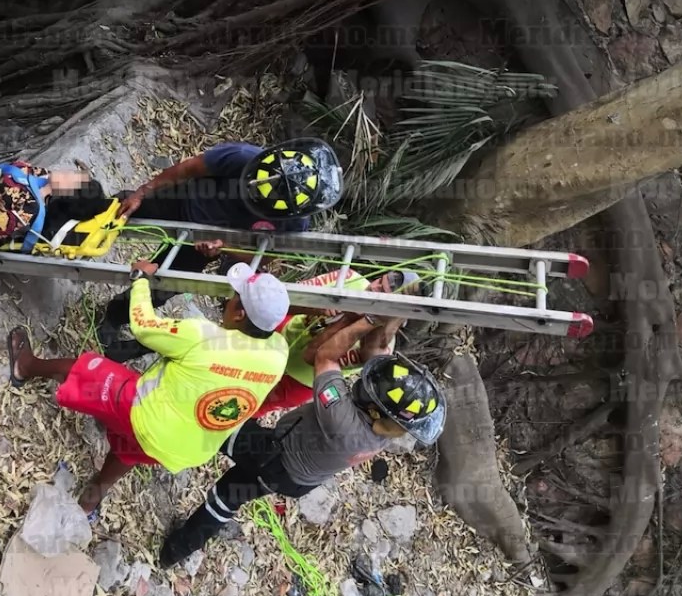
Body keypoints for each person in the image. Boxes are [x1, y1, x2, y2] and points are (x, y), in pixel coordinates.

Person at [6, 261, 291, 520]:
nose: (226, 302)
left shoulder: (205, 337)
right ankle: (88, 504)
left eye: (233, 299)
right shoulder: (279, 355)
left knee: (90, 369)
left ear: (240, 313)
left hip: (147, 417)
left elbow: (144, 327)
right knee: (130, 452)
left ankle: (26, 366)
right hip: (185, 449)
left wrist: (140, 279)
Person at [158, 314, 446, 568]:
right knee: (226, 496)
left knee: (217, 418)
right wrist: (392, 316)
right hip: (295, 476)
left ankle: (152, 419)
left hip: (275, 459)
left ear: (375, 406)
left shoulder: (344, 422)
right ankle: (174, 552)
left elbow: (325, 358)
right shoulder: (389, 423)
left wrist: (368, 319)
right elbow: (375, 350)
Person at [97, 138, 343, 362]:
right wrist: (142, 193)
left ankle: (114, 316)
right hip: (180, 201)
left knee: (162, 286)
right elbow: (189, 169)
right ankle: (76, 222)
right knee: (117, 212)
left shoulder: (294, 222)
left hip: (203, 243)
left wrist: (226, 248)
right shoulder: (242, 157)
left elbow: (265, 255)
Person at [259, 268, 423, 417]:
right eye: (379, 282)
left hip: (298, 380)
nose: (373, 288)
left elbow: (310, 356)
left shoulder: (379, 346)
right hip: (281, 332)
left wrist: (350, 319)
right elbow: (280, 301)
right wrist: (315, 307)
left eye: (382, 294)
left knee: (253, 403)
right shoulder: (348, 278)